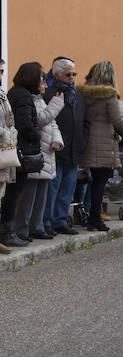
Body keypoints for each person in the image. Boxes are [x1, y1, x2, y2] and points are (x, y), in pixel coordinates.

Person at [79, 61, 123, 231]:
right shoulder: (109, 95)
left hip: (89, 139)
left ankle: (89, 215)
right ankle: (95, 218)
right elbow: (116, 120)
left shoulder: (85, 93)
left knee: (91, 181)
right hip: (103, 143)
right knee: (100, 183)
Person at [15, 68, 64, 241]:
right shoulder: (29, 100)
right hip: (35, 150)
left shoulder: (40, 100)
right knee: (28, 195)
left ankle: (37, 225)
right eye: (42, 81)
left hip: (47, 151)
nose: (45, 85)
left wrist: (57, 139)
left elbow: (53, 124)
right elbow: (40, 119)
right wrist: (56, 105)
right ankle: (23, 228)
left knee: (41, 193)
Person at [1, 63, 46, 246]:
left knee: (11, 192)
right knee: (13, 193)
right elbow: (24, 124)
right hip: (19, 150)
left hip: (14, 148)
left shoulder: (13, 93)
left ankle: (8, 232)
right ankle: (7, 233)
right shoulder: (23, 96)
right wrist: (37, 137)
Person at [43, 58, 89, 235]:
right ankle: (47, 221)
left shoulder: (77, 95)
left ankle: (61, 220)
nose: (72, 77)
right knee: (53, 187)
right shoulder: (50, 94)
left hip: (74, 148)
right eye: (68, 74)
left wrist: (83, 140)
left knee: (68, 187)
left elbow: (85, 121)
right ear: (56, 75)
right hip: (56, 148)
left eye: (74, 74)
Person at [0, 59, 15, 253]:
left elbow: (10, 121)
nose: (0, 75)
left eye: (2, 71)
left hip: (4, 150)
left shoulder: (3, 95)